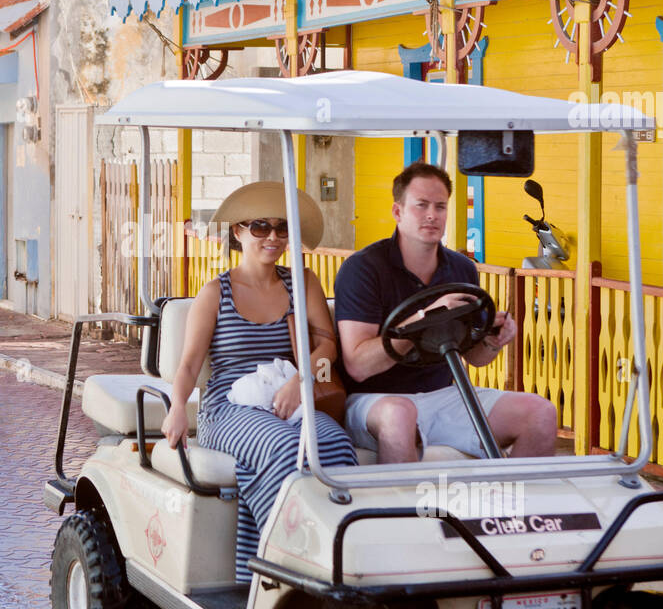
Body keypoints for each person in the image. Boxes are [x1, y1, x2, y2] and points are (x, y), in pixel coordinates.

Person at [162, 182, 357, 584]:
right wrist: (178, 408)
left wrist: (301, 379)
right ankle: (283, 563)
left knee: (333, 442)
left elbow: (327, 345)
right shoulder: (216, 293)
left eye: (282, 228)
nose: (273, 237)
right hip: (230, 407)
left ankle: (340, 559)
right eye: (260, 227)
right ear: (238, 232)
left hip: (290, 392)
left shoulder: (302, 282)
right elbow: (188, 365)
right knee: (288, 447)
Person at [333, 161, 558, 463]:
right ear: (397, 212)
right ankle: (398, 509)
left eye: (440, 207)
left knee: (540, 413)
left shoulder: (461, 269)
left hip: (442, 394)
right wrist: (426, 319)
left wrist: (493, 339)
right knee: (400, 414)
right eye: (421, 205)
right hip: (376, 400)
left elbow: (475, 358)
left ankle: (516, 507)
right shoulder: (363, 268)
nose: (431, 215)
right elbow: (359, 365)